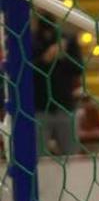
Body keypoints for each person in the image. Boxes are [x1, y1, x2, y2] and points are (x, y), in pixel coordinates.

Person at [32, 12, 82, 156]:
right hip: (39, 108)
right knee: (39, 157)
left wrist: (63, 55)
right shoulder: (30, 42)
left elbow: (79, 69)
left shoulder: (67, 40)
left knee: (71, 155)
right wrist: (45, 59)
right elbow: (25, 73)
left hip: (65, 106)